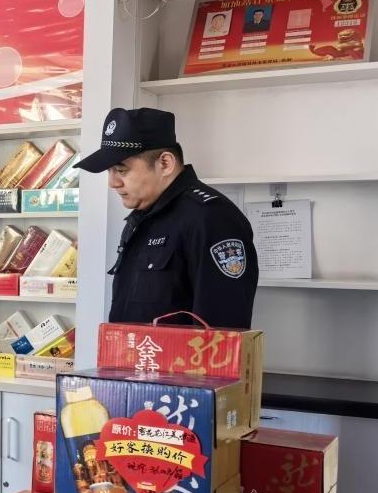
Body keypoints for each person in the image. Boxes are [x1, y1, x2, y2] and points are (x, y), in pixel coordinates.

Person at [75, 107, 258, 328]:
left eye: (121, 170)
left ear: (165, 164)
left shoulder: (211, 219)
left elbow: (220, 331)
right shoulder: (143, 216)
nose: (112, 182)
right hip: (134, 350)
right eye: (109, 171)